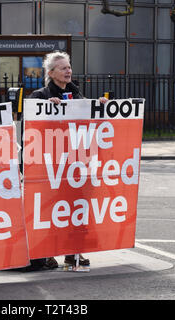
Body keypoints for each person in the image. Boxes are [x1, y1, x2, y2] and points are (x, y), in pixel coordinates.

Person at [28, 51, 108, 270]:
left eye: (69, 67)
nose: (68, 71)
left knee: (74, 208)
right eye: (63, 68)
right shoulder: (40, 95)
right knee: (51, 210)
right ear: (51, 73)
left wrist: (99, 105)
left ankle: (74, 253)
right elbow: (31, 127)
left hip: (75, 163)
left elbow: (88, 121)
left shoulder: (77, 95)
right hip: (51, 165)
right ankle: (47, 252)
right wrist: (46, 108)